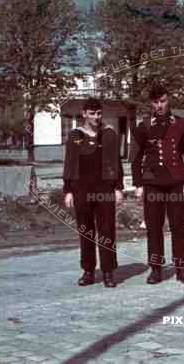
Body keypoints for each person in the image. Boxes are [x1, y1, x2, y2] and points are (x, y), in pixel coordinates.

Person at [131, 84, 184, 284]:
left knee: (178, 226)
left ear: (168, 101)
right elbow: (135, 157)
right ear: (151, 103)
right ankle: (156, 269)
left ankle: (181, 268)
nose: (160, 105)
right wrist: (138, 184)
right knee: (153, 227)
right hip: (152, 183)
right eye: (156, 102)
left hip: (176, 182)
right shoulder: (143, 126)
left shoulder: (181, 124)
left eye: (163, 101)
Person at [62, 97, 124, 288]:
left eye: (99, 113)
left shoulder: (109, 134)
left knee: (107, 231)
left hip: (105, 189)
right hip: (82, 190)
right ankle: (88, 271)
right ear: (84, 114)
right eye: (92, 113)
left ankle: (108, 272)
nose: (96, 117)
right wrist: (68, 190)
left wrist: (118, 188)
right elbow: (70, 164)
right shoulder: (75, 135)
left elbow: (116, 163)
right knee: (86, 231)